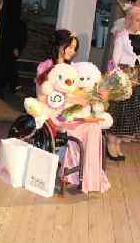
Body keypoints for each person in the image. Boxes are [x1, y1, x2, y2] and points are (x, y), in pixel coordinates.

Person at [36, 30, 110, 194]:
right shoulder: (46, 66)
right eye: (69, 46)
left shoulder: (72, 69)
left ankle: (87, 176)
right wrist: (71, 101)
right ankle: (76, 174)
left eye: (74, 48)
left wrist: (96, 94)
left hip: (71, 111)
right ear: (59, 45)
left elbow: (79, 92)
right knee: (87, 128)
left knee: (94, 127)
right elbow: (42, 97)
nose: (72, 51)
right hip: (54, 112)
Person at [106, 6, 140, 146]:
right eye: (137, 20)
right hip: (125, 74)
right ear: (129, 20)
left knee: (131, 112)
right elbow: (115, 59)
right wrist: (118, 76)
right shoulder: (122, 36)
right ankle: (111, 143)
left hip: (139, 75)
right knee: (121, 110)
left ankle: (118, 144)